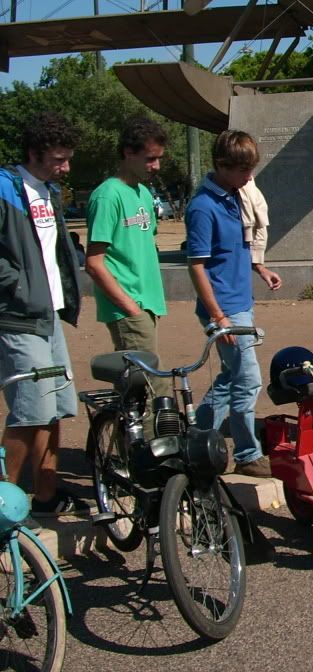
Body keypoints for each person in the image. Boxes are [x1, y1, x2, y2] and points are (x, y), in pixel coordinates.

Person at [0, 112, 82, 518]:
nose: (65, 168)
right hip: (17, 318)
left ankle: (46, 496)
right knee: (30, 409)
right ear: (33, 153)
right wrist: (17, 286)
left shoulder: (49, 191)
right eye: (58, 159)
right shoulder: (4, 187)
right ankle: (3, 507)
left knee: (54, 406)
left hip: (48, 315)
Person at [186, 130, 280, 478]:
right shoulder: (203, 207)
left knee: (230, 377)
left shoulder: (232, 195)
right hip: (225, 309)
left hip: (239, 302)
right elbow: (196, 265)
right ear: (222, 165)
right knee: (248, 380)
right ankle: (247, 453)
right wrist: (218, 316)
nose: (249, 177)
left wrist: (260, 268)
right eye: (243, 170)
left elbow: (237, 245)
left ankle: (195, 436)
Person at [85, 116, 171, 398]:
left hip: (148, 302)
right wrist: (131, 307)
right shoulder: (107, 196)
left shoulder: (144, 193)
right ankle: (148, 443)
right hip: (128, 305)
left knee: (147, 385)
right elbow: (94, 263)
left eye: (158, 158)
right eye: (150, 159)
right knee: (149, 388)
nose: (156, 166)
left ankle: (134, 439)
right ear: (128, 153)